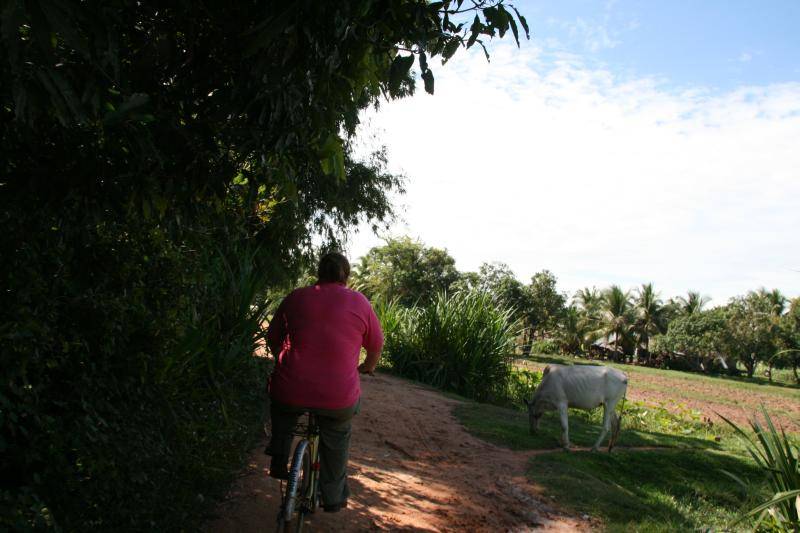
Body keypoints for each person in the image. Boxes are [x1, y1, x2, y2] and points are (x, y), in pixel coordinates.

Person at [265, 251, 383, 513]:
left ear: (318, 272)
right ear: (346, 275)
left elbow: (273, 337)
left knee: (283, 412)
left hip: (290, 388)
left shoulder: (297, 297)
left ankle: (279, 458)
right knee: (337, 436)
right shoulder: (360, 302)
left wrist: (282, 360)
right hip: (337, 397)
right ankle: (332, 496)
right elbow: (376, 346)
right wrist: (367, 367)